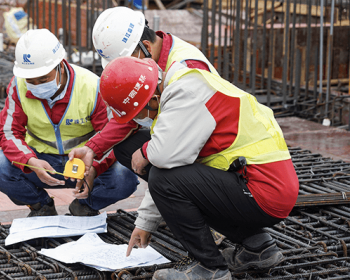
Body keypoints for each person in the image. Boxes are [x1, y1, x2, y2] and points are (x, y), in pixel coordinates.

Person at [69, 57, 299, 279]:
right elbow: (171, 166)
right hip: (258, 184)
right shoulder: (179, 84)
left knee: (163, 178)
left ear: (152, 100)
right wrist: (145, 223)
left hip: (262, 192)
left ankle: (210, 268)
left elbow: (163, 166)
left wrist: (146, 152)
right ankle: (257, 247)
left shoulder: (185, 96)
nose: (136, 120)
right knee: (153, 164)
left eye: (136, 114)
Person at [0, 29, 138, 217]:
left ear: (60, 65)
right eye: (30, 80)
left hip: (85, 163)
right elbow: (8, 132)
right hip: (41, 161)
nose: (36, 85)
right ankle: (41, 205)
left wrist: (94, 168)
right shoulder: (18, 85)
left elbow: (111, 134)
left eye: (43, 78)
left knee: (125, 175)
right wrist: (31, 161)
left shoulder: (91, 86)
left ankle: (85, 205)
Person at [81, 6, 220, 177]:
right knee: (126, 149)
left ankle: (183, 197)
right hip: (183, 133)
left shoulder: (186, 69)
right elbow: (131, 113)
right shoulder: (158, 56)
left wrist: (148, 152)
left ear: (145, 47)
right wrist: (92, 148)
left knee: (158, 166)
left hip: (210, 151)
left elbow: (190, 135)